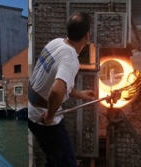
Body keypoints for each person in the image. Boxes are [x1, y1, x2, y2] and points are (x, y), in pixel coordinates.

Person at [27, 12, 98, 167]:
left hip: (32, 113)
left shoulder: (56, 43)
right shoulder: (71, 59)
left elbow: (54, 82)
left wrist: (80, 94)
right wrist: (50, 116)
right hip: (44, 122)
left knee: (54, 159)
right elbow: (56, 91)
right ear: (87, 35)